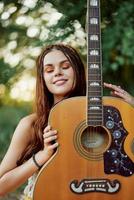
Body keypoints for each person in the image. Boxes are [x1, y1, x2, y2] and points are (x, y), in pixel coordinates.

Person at [0, 44, 133, 200]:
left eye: (65, 66)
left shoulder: (110, 116)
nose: (57, 73)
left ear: (77, 70)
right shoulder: (31, 124)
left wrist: (131, 109)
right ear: (43, 78)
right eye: (49, 70)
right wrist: (43, 156)